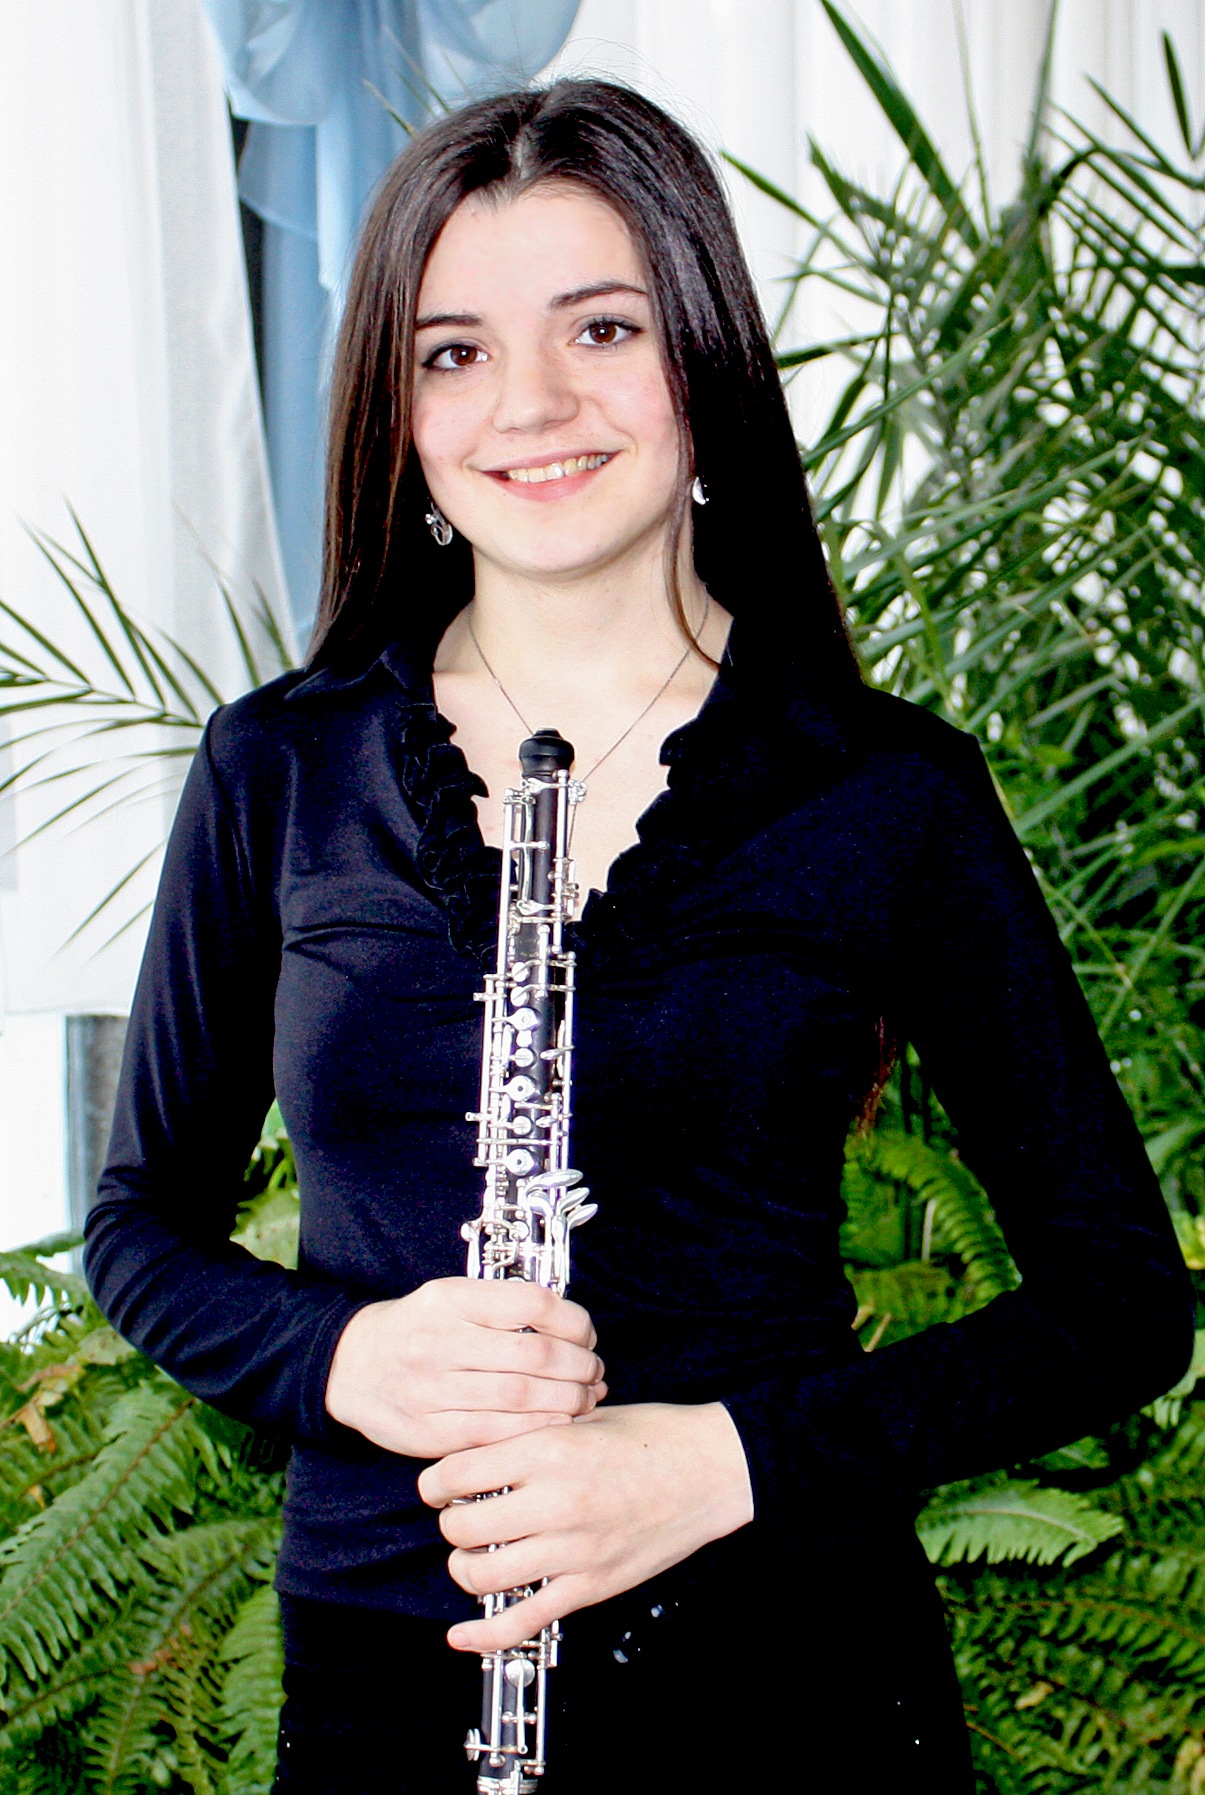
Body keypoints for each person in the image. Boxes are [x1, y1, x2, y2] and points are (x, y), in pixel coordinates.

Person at [85, 79, 1192, 1794]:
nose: (529, 402)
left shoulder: (879, 791)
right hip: (388, 1682)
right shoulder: (279, 769)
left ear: (703, 362)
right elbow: (139, 1229)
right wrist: (344, 1355)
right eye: (453, 353)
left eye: (600, 328)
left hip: (795, 1684)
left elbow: (1118, 1307)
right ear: (398, 414)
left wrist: (722, 1465)